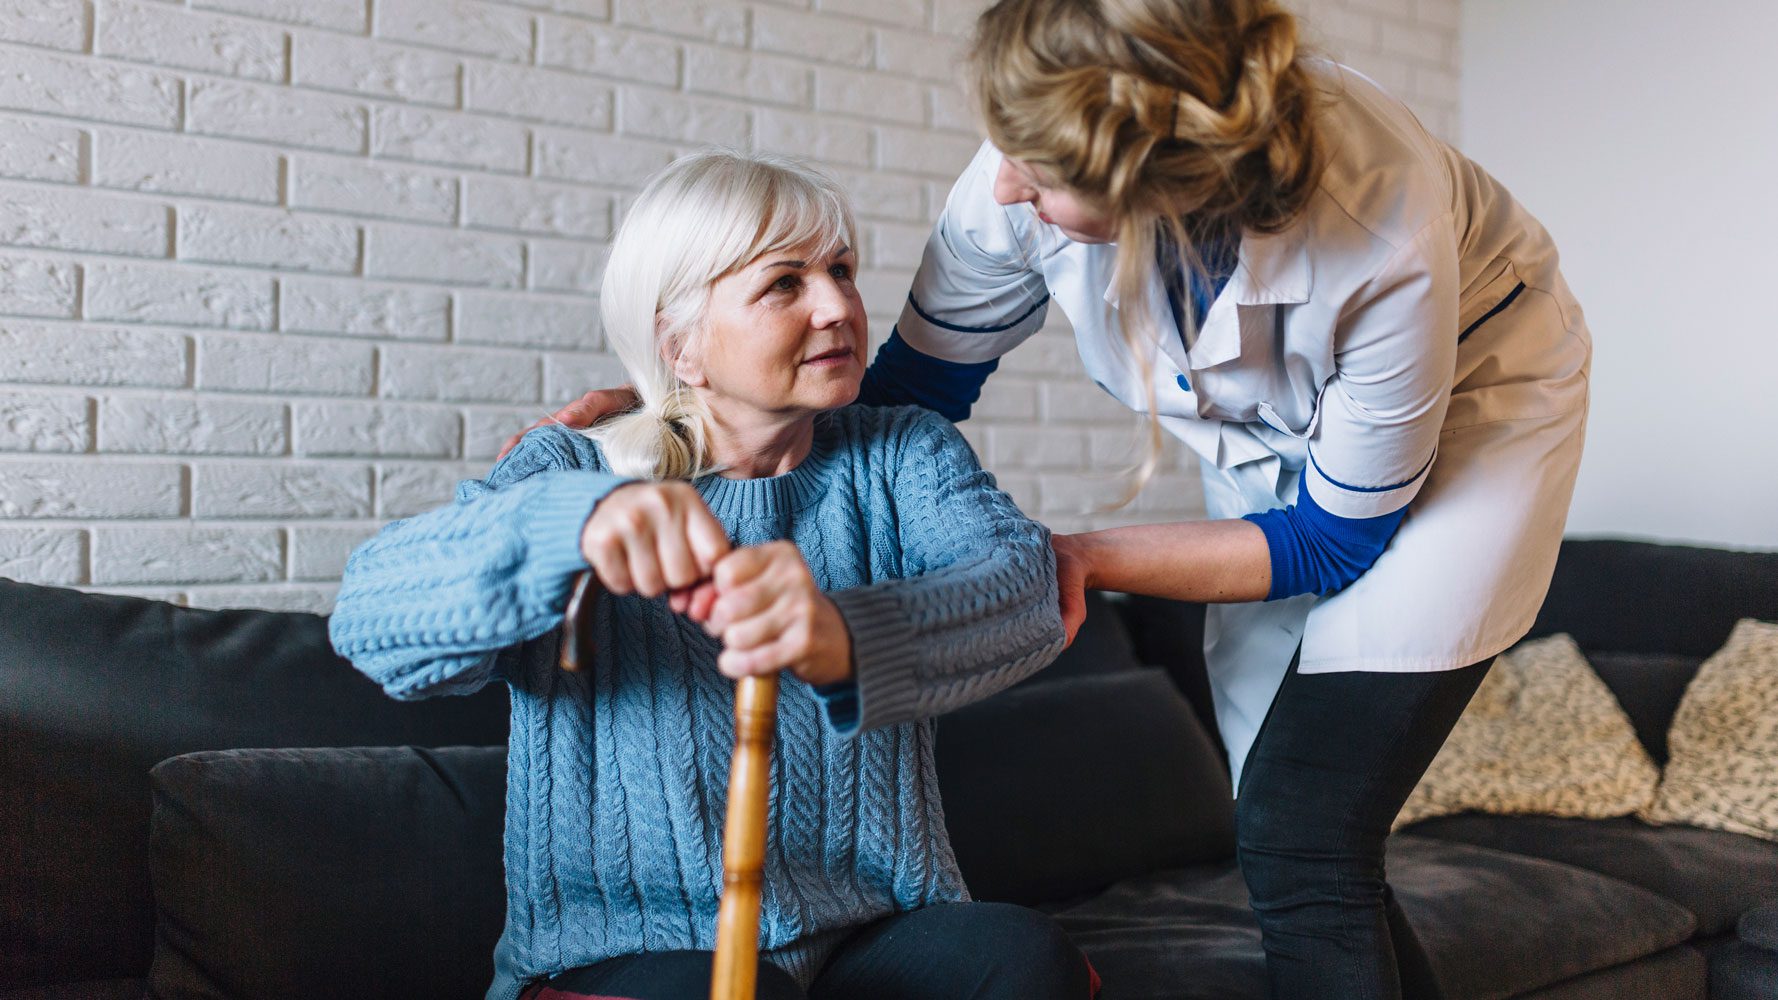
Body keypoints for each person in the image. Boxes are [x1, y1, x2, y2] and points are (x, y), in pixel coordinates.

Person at [518, 2, 1592, 997]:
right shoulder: (1026, 159)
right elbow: (910, 396)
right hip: (1287, 454)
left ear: (1156, 178)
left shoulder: (1380, 229)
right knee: (1301, 830)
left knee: (1301, 822)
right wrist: (670, 419)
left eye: (1035, 173)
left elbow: (1329, 535)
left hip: (1474, 408)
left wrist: (1080, 554)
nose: (1000, 186)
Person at [330, 151, 1095, 1000]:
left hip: (872, 932)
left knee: (1022, 960)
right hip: (628, 946)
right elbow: (371, 621)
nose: (839, 305)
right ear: (679, 344)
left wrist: (842, 634)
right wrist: (567, 526)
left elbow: (1026, 589)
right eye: (785, 284)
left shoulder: (901, 452)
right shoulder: (573, 466)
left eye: (840, 270)